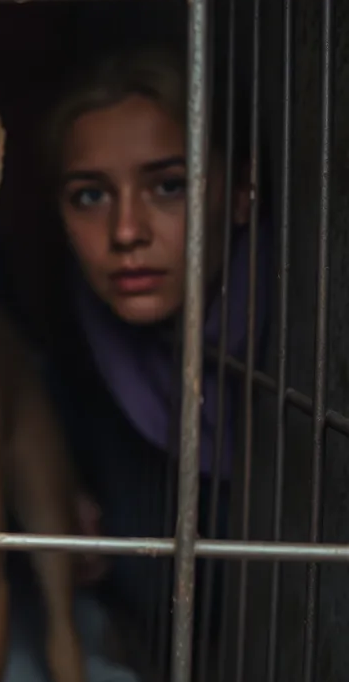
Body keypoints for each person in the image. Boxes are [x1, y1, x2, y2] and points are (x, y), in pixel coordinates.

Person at [28, 44, 272, 627]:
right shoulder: (80, 325)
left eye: (169, 186)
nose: (126, 231)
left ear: (242, 193)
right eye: (90, 196)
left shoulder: (295, 322)